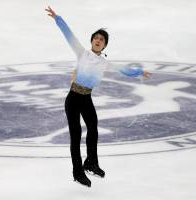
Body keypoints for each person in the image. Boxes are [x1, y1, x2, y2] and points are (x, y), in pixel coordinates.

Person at [45, 6, 151, 188]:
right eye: (96, 38)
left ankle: (91, 163)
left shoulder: (104, 63)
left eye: (101, 39)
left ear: (105, 45)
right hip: (73, 98)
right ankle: (77, 172)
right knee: (76, 135)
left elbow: (124, 70)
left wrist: (139, 72)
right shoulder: (82, 53)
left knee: (93, 128)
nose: (98, 40)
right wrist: (58, 19)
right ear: (92, 41)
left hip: (86, 99)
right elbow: (69, 35)